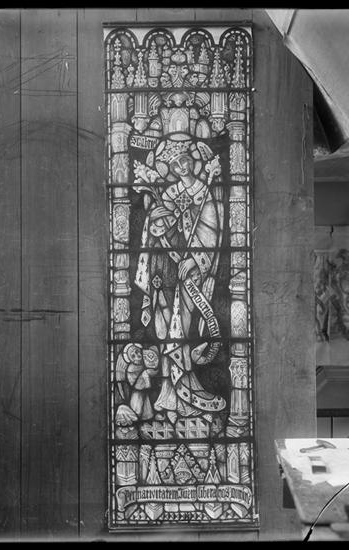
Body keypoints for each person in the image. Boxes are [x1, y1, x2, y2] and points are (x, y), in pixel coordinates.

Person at [134, 132, 226, 424]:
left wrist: (194, 258)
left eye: (184, 160)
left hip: (188, 273)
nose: (181, 167)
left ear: (191, 161)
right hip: (164, 271)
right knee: (164, 332)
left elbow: (210, 230)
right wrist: (154, 221)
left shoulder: (204, 191)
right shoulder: (170, 193)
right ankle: (168, 395)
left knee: (181, 331)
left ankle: (186, 391)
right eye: (175, 164)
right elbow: (158, 228)